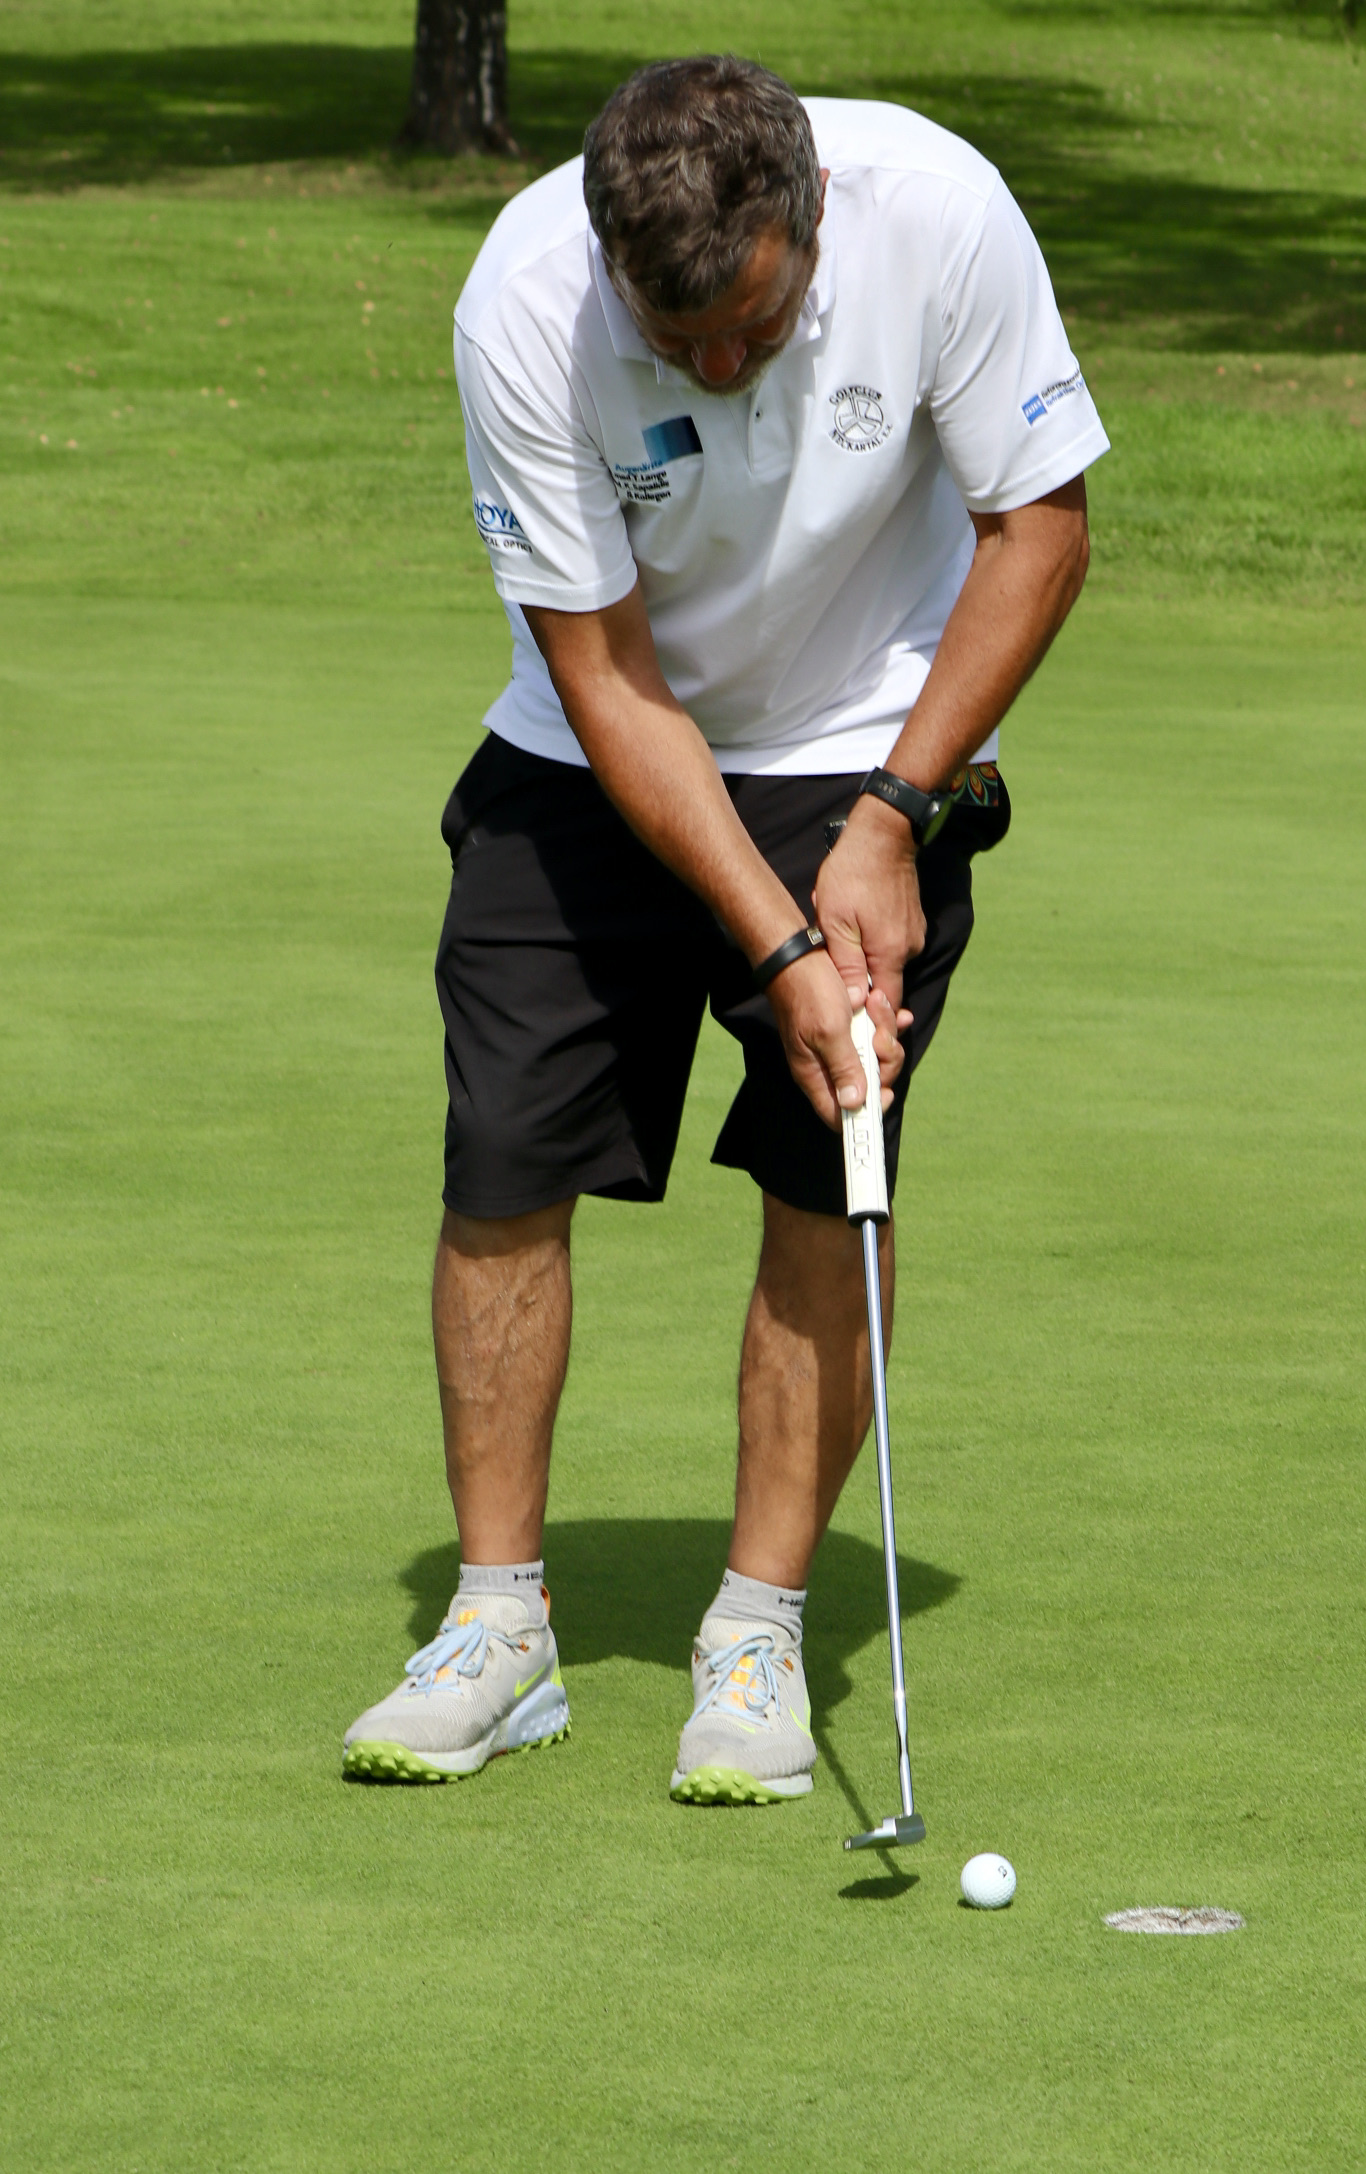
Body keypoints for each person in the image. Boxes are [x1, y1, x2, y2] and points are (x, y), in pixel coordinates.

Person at [343, 56, 1106, 1803]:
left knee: (825, 1165)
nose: (710, 368)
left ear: (811, 222)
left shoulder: (938, 214)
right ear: (612, 261)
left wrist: (891, 822)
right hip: (590, 745)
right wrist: (779, 944)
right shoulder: (526, 301)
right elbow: (606, 673)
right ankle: (498, 1625)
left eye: (751, 330)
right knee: (502, 1155)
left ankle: (757, 1628)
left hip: (872, 729)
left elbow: (1041, 530)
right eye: (672, 336)